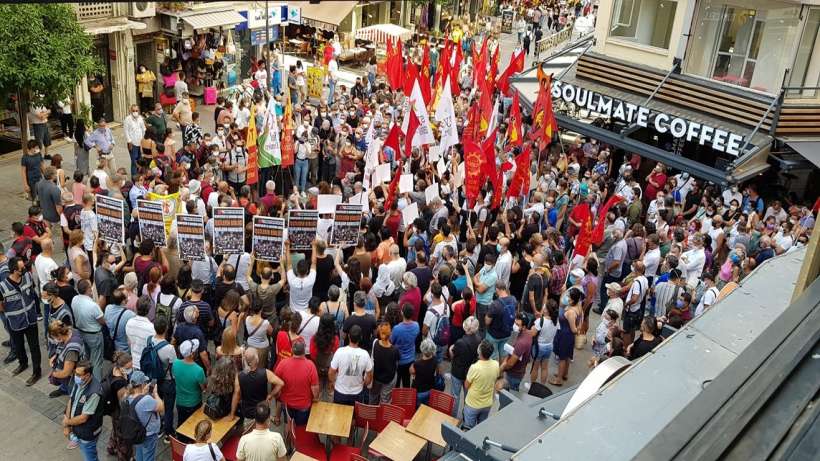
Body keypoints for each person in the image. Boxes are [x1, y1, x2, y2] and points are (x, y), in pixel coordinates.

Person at [0, 257, 42, 385]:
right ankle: (22, 363)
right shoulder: (2, 287)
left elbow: (32, 292)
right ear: (14, 270)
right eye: (21, 268)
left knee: (34, 347)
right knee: (18, 346)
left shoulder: (28, 276)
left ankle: (36, 372)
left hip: (30, 320)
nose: (25, 269)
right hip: (15, 322)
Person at [63, 360, 104, 461]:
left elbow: (83, 418)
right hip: (77, 429)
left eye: (78, 374)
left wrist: (67, 422)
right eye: (75, 373)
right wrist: (67, 425)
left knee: (90, 457)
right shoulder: (79, 382)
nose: (75, 376)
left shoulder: (94, 392)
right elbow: (71, 401)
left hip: (87, 433)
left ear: (87, 375)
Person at [272, 340, 316, 426]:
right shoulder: (310, 365)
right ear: (304, 351)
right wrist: (315, 398)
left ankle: (288, 438)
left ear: (292, 350)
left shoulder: (283, 363)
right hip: (304, 405)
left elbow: (275, 380)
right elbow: (315, 389)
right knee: (301, 428)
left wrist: (277, 394)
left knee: (288, 425)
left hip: (287, 404)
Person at [329, 325, 373, 405]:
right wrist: (363, 384)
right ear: (360, 338)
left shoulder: (340, 351)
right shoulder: (365, 354)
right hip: (357, 393)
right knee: (355, 416)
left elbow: (331, 372)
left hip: (340, 392)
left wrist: (334, 382)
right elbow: (369, 376)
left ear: (349, 336)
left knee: (339, 416)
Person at [126, 370, 165, 461]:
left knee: (139, 453)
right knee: (149, 456)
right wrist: (155, 393)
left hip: (136, 432)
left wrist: (144, 393)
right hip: (148, 434)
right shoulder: (146, 400)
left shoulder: (127, 396)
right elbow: (161, 408)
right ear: (142, 385)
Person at [550, 287, 583, 386]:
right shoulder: (578, 306)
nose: (567, 298)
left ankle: (559, 379)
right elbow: (581, 318)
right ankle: (564, 374)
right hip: (567, 335)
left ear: (573, 299)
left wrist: (577, 330)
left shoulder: (570, 312)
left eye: (568, 296)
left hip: (565, 335)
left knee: (562, 358)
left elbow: (573, 329)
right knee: (567, 356)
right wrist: (579, 327)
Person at [463, 340, 499, 429]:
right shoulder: (496, 364)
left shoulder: (474, 368)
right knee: (481, 428)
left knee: (468, 429)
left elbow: (466, 385)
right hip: (487, 403)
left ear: (480, 352)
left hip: (473, 404)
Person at [173, 339, 207, 430]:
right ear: (192, 354)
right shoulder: (199, 370)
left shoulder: (175, 363)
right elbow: (203, 388)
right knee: (194, 427)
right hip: (194, 403)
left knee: (181, 424)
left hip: (180, 402)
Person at [500, 313, 533, 392]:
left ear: (524, 327)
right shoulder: (527, 333)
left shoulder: (521, 343)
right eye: (515, 323)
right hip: (520, 370)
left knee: (511, 394)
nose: (514, 325)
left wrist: (502, 367)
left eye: (517, 324)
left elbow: (510, 364)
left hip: (514, 374)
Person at [485, 281, 516, 362]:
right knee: (503, 354)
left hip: (494, 335)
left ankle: (495, 373)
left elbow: (487, 322)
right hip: (507, 332)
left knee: (494, 356)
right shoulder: (513, 300)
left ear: (497, 289)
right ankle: (501, 373)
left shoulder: (495, 304)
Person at [530, 300, 559, 386]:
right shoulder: (556, 320)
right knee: (544, 368)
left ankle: (532, 386)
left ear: (546, 310)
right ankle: (542, 386)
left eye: (544, 306)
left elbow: (533, 333)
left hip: (539, 347)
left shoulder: (540, 321)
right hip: (549, 346)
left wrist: (532, 327)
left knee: (535, 367)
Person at [390, 303, 419, 388]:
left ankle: (397, 400)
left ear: (402, 313)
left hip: (398, 361)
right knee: (406, 383)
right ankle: (406, 399)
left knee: (396, 383)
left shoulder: (397, 329)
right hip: (410, 360)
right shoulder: (416, 326)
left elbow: (391, 342)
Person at [370, 322, 399, 404]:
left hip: (376, 377)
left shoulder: (375, 343)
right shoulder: (395, 350)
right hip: (389, 379)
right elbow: (396, 364)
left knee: (373, 397)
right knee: (385, 400)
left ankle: (372, 413)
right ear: (390, 334)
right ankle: (383, 415)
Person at [125, 295, 156, 370]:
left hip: (134, 361)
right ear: (148, 310)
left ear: (136, 307)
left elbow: (129, 342)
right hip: (146, 364)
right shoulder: (151, 328)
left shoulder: (129, 323)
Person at [103, 288, 134, 353]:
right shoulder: (130, 314)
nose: (128, 297)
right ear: (123, 301)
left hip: (112, 346)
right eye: (127, 296)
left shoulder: (108, 308)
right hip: (125, 350)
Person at [411, 339, 441, 406]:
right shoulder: (435, 361)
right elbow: (438, 372)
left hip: (419, 391)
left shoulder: (417, 364)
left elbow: (412, 372)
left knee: (418, 409)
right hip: (430, 389)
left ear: (422, 349)